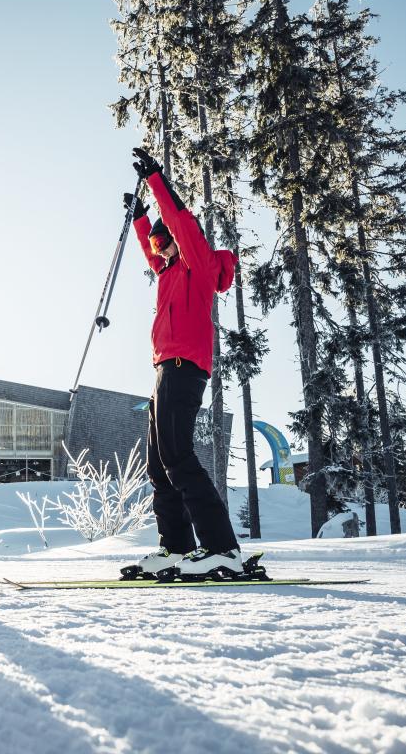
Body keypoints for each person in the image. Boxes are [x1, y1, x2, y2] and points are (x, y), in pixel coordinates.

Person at [125, 147, 247, 581]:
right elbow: (151, 250)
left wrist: (158, 182)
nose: (160, 249)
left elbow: (182, 223)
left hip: (184, 366)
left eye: (164, 241)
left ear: (180, 239)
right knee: (159, 462)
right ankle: (176, 547)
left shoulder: (198, 263)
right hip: (163, 369)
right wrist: (141, 219)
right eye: (157, 243)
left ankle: (223, 548)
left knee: (178, 454)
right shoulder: (169, 271)